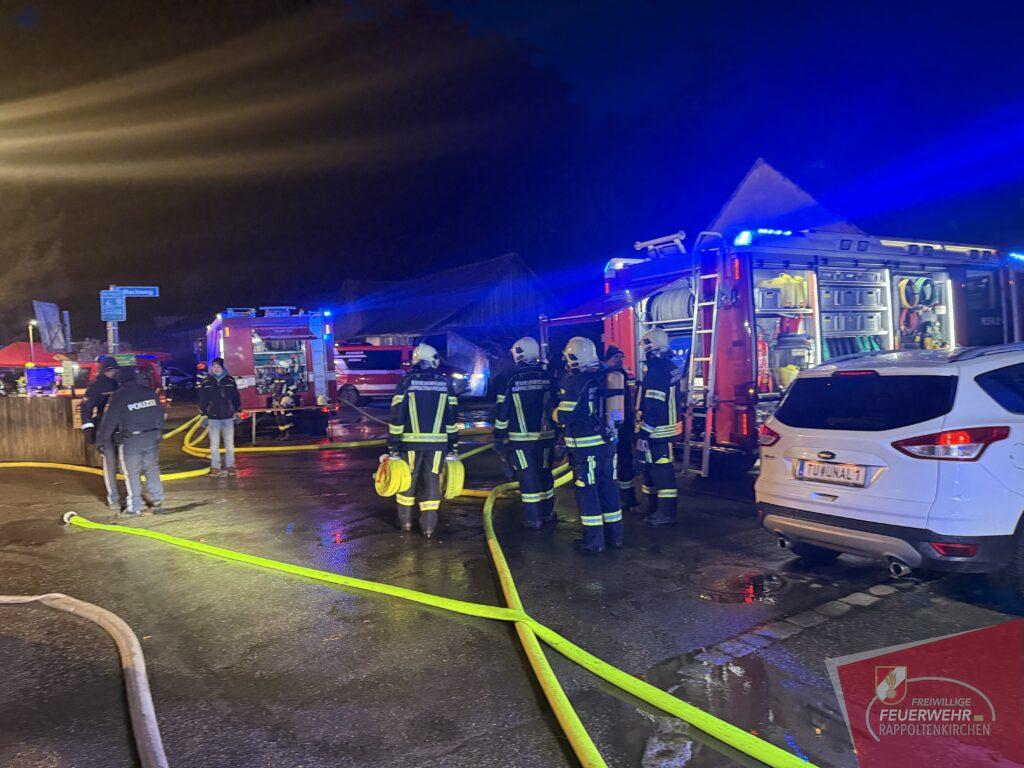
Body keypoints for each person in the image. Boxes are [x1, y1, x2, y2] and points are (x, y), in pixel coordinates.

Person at [553, 337, 622, 554]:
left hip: (586, 448)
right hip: (608, 444)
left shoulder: (575, 381)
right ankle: (614, 536)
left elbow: (566, 415)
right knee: (608, 488)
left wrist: (553, 413)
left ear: (573, 357)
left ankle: (594, 541)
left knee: (587, 491)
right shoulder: (605, 376)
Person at [388, 343, 459, 538]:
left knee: (407, 481)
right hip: (438, 445)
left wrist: (393, 445)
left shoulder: (406, 382)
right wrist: (453, 444)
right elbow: (452, 418)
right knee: (432, 480)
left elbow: (397, 416)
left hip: (410, 443)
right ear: (433, 360)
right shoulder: (445, 384)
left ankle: (406, 523)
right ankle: (428, 527)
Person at [493, 337, 557, 528]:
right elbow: (557, 405)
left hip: (521, 440)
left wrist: (498, 436)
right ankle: (548, 513)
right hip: (546, 437)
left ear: (518, 355)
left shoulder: (510, 379)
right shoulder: (548, 377)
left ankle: (533, 518)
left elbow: (502, 411)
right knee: (545, 473)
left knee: (527, 475)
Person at [96, 369, 166, 517]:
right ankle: (157, 500)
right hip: (152, 437)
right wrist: (158, 432)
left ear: (120, 381)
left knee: (131, 473)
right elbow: (160, 414)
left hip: (132, 440)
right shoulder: (149, 392)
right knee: (152, 468)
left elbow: (109, 422)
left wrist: (101, 441)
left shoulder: (119, 396)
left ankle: (134, 507)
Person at [636, 328, 682, 526]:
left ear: (650, 348)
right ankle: (651, 505)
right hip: (662, 427)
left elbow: (654, 406)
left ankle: (666, 512)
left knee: (662, 470)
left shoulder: (657, 371)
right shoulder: (668, 366)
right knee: (650, 468)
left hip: (658, 429)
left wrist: (644, 432)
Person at [79, 357, 121, 510]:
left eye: (114, 370)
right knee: (110, 465)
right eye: (110, 370)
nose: (113, 373)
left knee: (128, 464)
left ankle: (132, 495)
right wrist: (89, 429)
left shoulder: (120, 383)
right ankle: (113, 499)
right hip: (105, 428)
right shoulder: (96, 386)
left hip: (122, 428)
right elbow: (86, 409)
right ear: (104, 371)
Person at [604, 345, 638, 510]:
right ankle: (614, 497)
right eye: (616, 357)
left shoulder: (621, 375)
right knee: (612, 461)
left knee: (625, 460)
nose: (619, 360)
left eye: (621, 357)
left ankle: (627, 496)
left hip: (624, 426)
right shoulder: (605, 376)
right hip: (612, 426)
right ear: (607, 359)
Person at [199, 357, 241, 477]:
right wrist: (203, 415)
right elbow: (202, 399)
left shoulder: (230, 380)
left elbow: (236, 397)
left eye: (218, 367)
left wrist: (238, 411)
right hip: (213, 417)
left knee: (229, 444)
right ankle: (215, 467)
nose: (215, 369)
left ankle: (230, 466)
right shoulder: (206, 382)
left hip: (228, 416)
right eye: (214, 367)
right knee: (214, 445)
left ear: (223, 368)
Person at [271, 360, 298, 440]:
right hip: (276, 399)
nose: (279, 369)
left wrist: (284, 395)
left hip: (285, 400)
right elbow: (275, 388)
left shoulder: (289, 378)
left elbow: (294, 390)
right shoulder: (277, 378)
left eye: (280, 368)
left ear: (285, 369)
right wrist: (274, 397)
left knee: (284, 416)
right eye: (278, 368)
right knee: (277, 417)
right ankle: (281, 433)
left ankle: (288, 434)